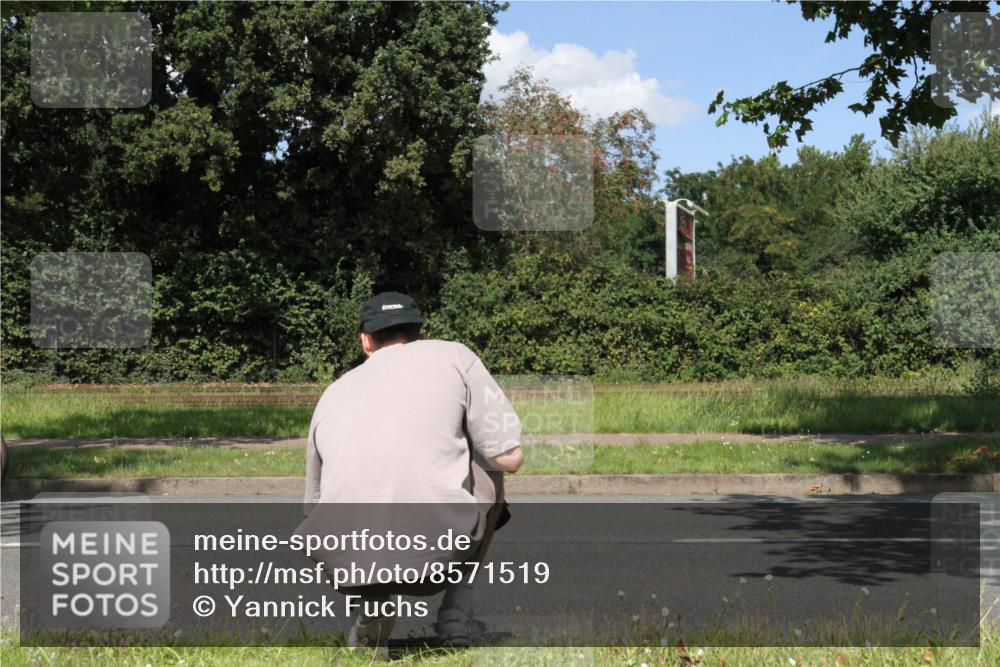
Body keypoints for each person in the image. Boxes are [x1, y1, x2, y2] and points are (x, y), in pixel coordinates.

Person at [299, 291, 523, 655]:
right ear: (422, 334)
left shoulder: (333, 392)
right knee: (489, 468)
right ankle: (456, 613)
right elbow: (509, 457)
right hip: (434, 561)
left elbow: (313, 505)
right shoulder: (455, 356)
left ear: (366, 342)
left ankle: (369, 606)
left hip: (346, 563)